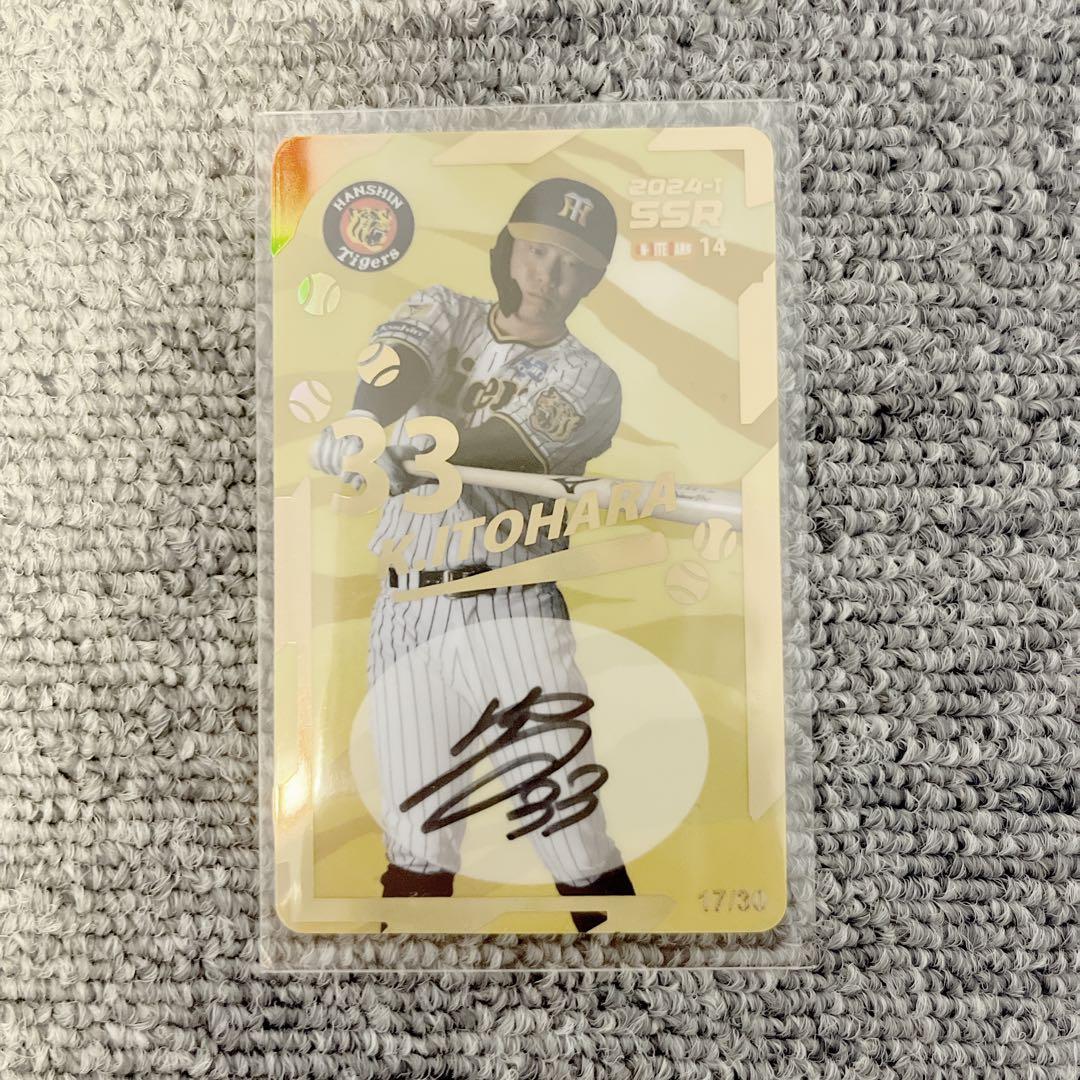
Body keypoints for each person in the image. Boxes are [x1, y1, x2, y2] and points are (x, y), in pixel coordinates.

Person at [312, 178, 634, 931]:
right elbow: (398, 360)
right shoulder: (446, 309)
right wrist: (365, 425)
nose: (549, 275)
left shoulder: (590, 379)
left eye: (572, 264)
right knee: (414, 833)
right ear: (509, 247)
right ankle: (406, 985)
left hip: (509, 607)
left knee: (567, 826)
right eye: (539, 250)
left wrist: (410, 449)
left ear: (591, 279)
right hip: (406, 606)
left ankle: (638, 968)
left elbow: (505, 446)